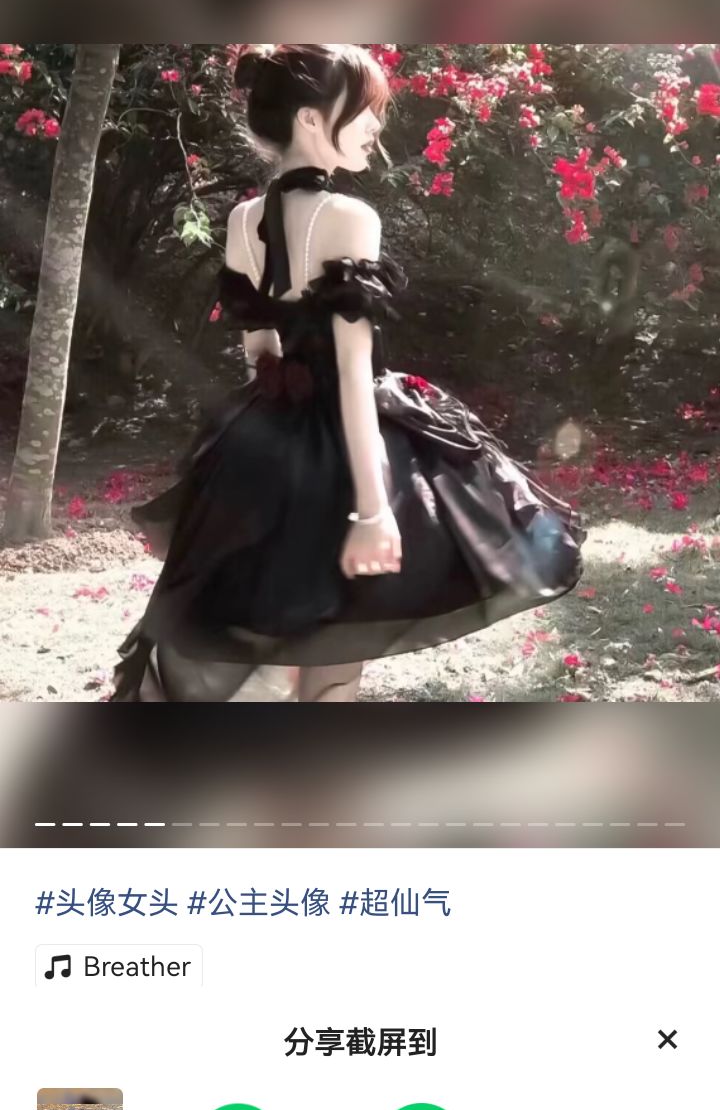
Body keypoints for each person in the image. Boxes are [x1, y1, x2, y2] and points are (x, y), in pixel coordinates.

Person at [111, 43, 585, 703]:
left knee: (280, 632)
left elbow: (258, 352)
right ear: (311, 119)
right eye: (364, 111)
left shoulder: (244, 220)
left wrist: (279, 414)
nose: (375, 127)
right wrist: (372, 509)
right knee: (336, 647)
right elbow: (353, 373)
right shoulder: (349, 217)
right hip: (344, 451)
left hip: (262, 441)